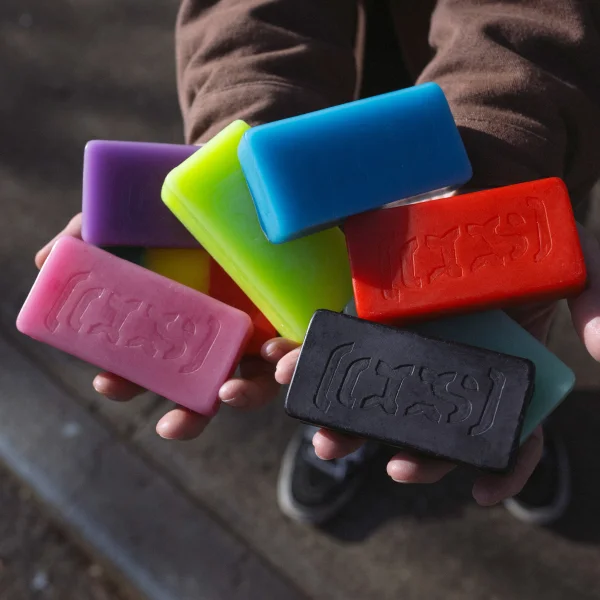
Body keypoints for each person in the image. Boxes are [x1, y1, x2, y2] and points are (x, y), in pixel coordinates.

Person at [35, 0, 600, 526]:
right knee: (323, 355)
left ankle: (506, 417)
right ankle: (355, 415)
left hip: (480, 117)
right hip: (355, 88)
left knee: (490, 340)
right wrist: (242, 139)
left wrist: (504, 148)